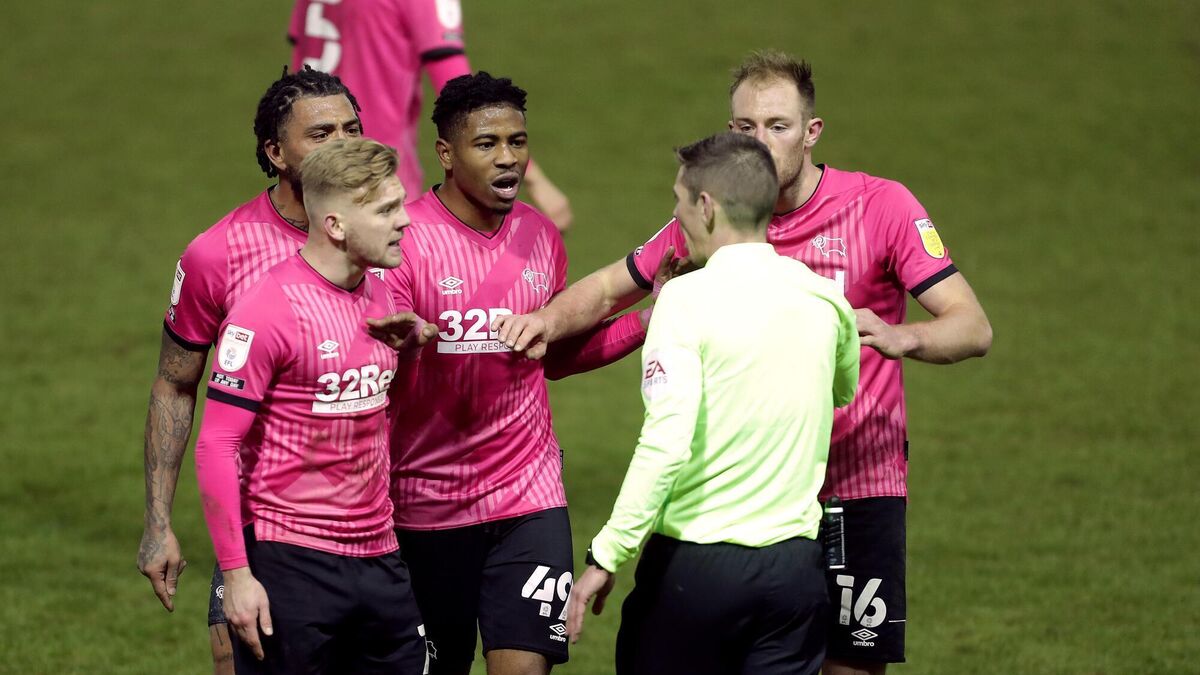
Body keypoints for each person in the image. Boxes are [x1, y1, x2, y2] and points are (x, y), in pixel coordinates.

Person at [493, 50, 993, 675]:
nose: (760, 142)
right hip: (744, 498)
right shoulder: (717, 214)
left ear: (811, 132)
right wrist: (544, 321)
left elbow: (972, 327)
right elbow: (607, 289)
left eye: (778, 126)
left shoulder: (881, 206)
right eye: (746, 127)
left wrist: (904, 337)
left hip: (856, 483)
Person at [567, 132, 860, 675]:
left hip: (697, 572)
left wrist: (607, 554)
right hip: (794, 573)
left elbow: (666, 442)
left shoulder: (683, 300)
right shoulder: (826, 298)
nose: (677, 218)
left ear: (706, 206)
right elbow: (842, 390)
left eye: (679, 203)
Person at [381, 71, 641, 675]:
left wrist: (647, 321)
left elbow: (555, 356)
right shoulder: (404, 240)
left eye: (518, 142)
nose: (508, 158)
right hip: (424, 503)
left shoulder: (540, 236)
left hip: (528, 496)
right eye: (487, 143)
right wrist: (404, 346)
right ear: (446, 153)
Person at [136, 67, 367, 674]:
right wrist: (159, 522)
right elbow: (175, 384)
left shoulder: (393, 240)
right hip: (265, 527)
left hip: (383, 523)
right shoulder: (219, 253)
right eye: (321, 134)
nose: (343, 144)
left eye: (352, 129)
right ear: (275, 153)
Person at [195, 137, 435, 674]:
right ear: (335, 225)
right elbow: (216, 444)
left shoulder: (382, 297)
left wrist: (411, 355)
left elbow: (386, 416)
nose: (405, 221)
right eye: (386, 210)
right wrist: (236, 575)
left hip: (379, 555)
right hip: (291, 560)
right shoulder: (266, 310)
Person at [288, 0, 574, 231]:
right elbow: (458, 89)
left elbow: (300, 57)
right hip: (375, 173)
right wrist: (535, 179)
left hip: (310, 171)